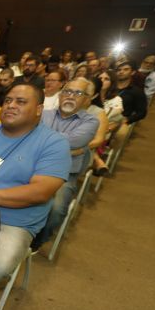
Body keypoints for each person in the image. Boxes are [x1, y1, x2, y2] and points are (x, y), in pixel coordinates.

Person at [0, 83, 71, 282]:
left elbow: (40, 192)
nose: (11, 105)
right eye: (8, 101)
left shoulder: (54, 143)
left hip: (11, 221)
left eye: (21, 102)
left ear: (39, 109)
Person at [34, 78, 99, 247]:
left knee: (56, 208)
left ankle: (37, 242)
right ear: (60, 95)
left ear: (87, 99)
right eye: (67, 91)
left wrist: (44, 140)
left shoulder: (91, 121)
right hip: (33, 166)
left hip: (64, 174)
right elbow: (30, 136)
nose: (71, 96)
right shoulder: (44, 113)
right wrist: (68, 148)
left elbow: (76, 141)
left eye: (78, 93)